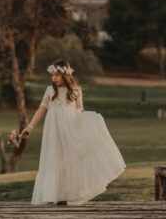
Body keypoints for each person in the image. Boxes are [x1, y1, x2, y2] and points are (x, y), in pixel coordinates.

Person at [20, 59, 126, 206]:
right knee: (53, 157)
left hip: (70, 129)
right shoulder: (50, 90)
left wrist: (90, 116)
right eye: (52, 75)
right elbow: (41, 109)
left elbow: (79, 110)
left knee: (67, 159)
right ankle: (52, 194)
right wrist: (29, 127)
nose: (54, 78)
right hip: (53, 131)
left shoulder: (75, 89)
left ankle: (64, 195)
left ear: (66, 75)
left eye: (57, 75)